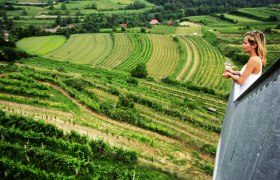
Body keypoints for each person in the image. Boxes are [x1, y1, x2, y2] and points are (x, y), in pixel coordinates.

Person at [223, 31, 267, 100]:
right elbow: (247, 74)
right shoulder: (255, 58)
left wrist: (230, 75)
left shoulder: (254, 60)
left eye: (245, 43)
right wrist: (232, 72)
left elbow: (240, 81)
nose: (242, 45)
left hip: (243, 97)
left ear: (254, 46)